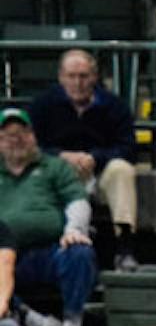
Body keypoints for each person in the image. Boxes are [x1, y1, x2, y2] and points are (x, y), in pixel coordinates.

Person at [28, 49, 139, 269]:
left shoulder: (114, 105)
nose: (77, 82)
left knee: (122, 170)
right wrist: (61, 156)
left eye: (83, 76)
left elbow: (129, 148)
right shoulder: (43, 105)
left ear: (95, 77)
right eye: (71, 76)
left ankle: (125, 247)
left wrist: (95, 157)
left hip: (100, 171)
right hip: (59, 172)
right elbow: (31, 148)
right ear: (61, 77)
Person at [0, 107, 95, 326]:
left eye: (23, 132)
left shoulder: (54, 167)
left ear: (33, 136)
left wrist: (73, 229)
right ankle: (38, 321)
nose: (16, 139)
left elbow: (78, 200)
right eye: (9, 135)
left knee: (80, 252)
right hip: (5, 254)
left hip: (49, 251)